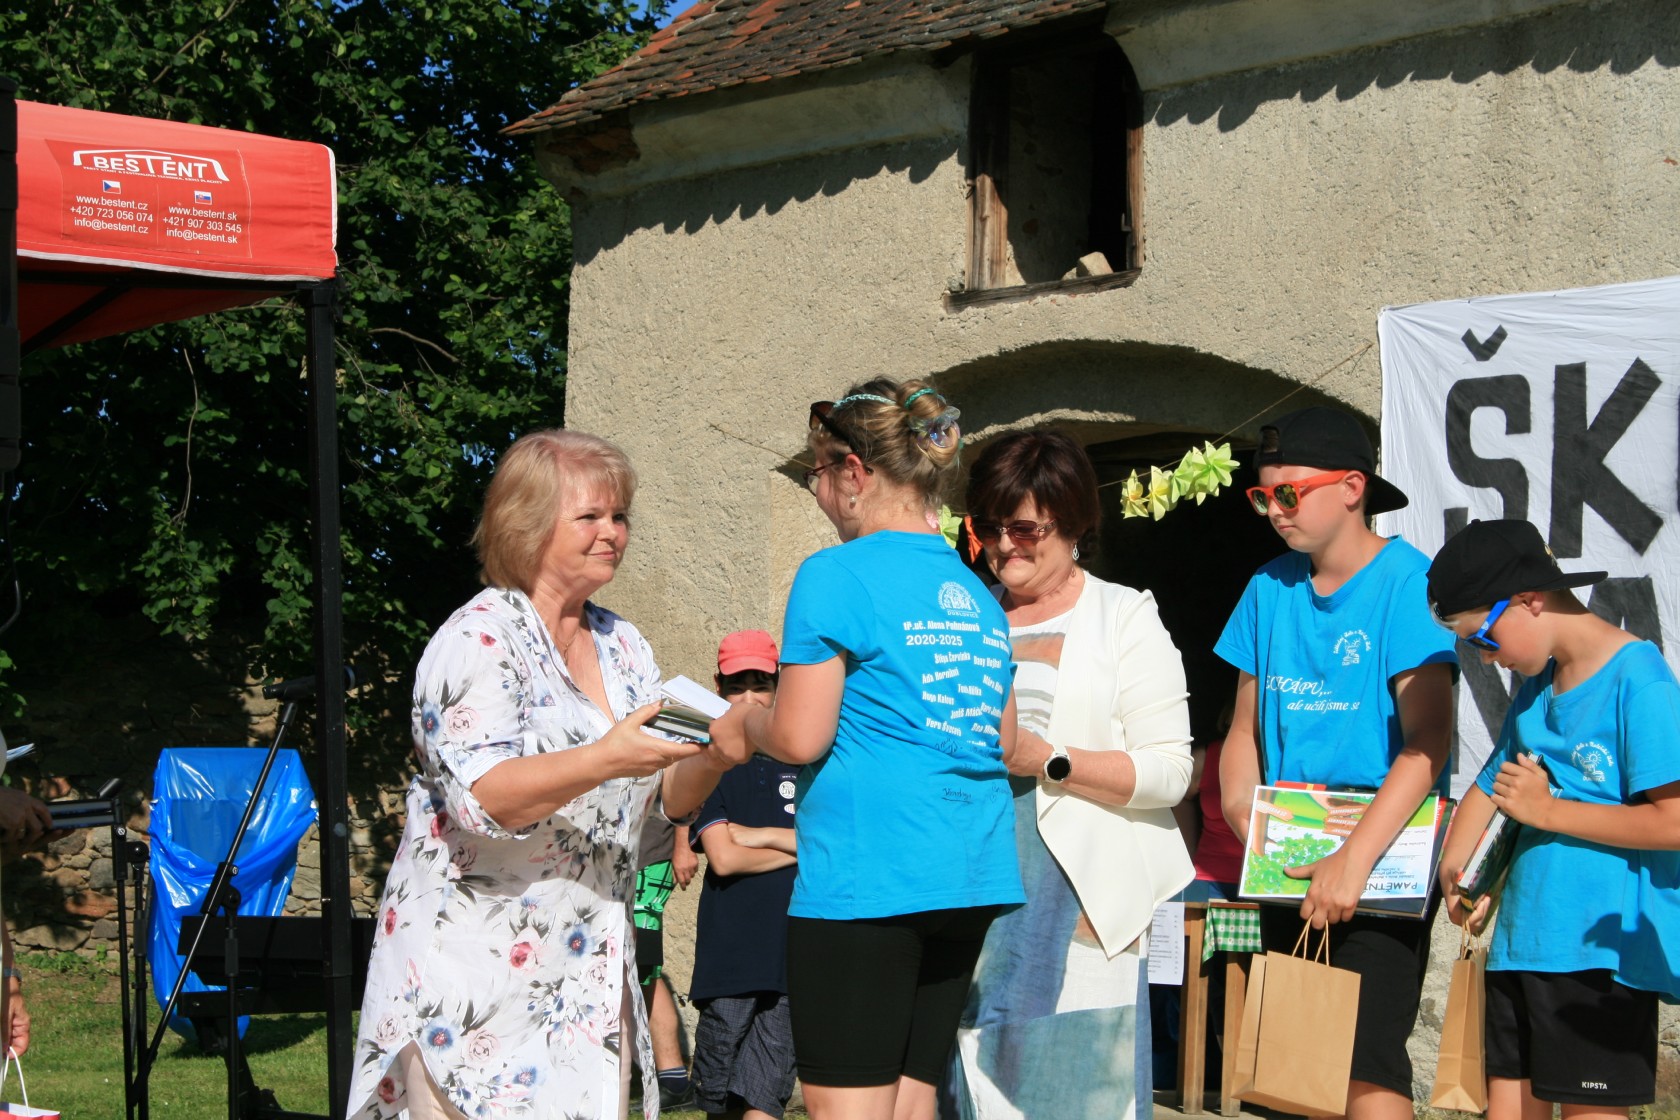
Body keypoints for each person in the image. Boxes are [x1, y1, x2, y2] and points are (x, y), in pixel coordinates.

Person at [346, 429, 750, 1120]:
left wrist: (711, 756)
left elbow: (663, 804)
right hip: (472, 970)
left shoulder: (624, 645)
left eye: (619, 515)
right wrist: (607, 757)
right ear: (526, 525)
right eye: (589, 516)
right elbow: (482, 799)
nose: (612, 532)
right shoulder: (476, 639)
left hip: (586, 972)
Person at [710, 380, 1024, 1120]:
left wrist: (746, 723)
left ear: (854, 473)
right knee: (911, 1106)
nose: (816, 490)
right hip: (969, 872)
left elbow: (798, 736)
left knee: (847, 1109)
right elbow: (1003, 740)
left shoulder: (835, 573)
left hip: (871, 873)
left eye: (818, 473)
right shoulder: (976, 592)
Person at [1214, 406, 1456, 1120]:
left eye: (1290, 492)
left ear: (1353, 488)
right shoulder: (1267, 587)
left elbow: (1429, 738)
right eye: (1262, 496)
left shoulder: (1409, 583)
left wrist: (1353, 859)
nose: (1274, 510)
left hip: (1381, 851)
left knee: (1364, 1065)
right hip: (1288, 851)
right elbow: (1242, 728)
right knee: (1291, 1069)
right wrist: (1243, 813)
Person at [945, 428, 1194, 1120]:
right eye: (989, 527)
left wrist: (1049, 760)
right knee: (969, 1087)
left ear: (1075, 523)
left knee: (1072, 1091)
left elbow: (1170, 770)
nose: (1005, 546)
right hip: (965, 888)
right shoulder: (963, 617)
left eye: (1025, 529)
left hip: (1078, 901)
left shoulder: (1123, 616)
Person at [1430, 519, 1680, 1120]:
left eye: (1483, 637)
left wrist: (1548, 811)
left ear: (1529, 600)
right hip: (1522, 946)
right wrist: (1457, 871)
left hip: (1599, 957)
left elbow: (1674, 822)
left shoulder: (1639, 680)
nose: (1484, 657)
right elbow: (1490, 786)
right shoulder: (1537, 687)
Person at [688, 630, 800, 1120]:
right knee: (718, 1096)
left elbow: (837, 844)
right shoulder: (708, 764)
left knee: (766, 1095)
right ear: (718, 687)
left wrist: (759, 835)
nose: (750, 698)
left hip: (793, 953)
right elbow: (725, 859)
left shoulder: (805, 760)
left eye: (762, 685)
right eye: (737, 686)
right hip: (730, 957)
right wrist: (802, 847)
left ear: (779, 687)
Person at [632, 812, 694, 1110]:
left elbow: (685, 796)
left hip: (649, 856)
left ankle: (674, 1082)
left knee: (640, 967)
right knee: (640, 973)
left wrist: (683, 846)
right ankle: (673, 1080)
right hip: (618, 857)